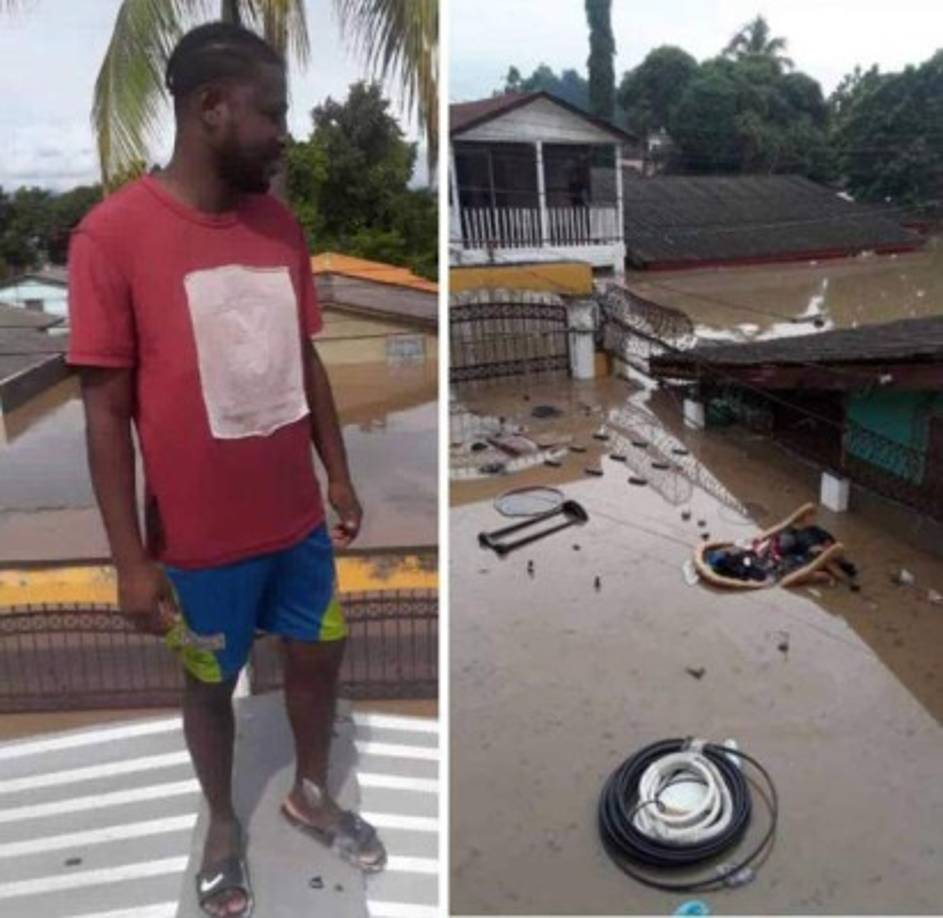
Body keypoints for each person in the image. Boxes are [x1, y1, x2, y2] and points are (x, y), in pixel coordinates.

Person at [67, 22, 385, 918]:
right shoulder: (112, 237)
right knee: (207, 680)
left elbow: (306, 360)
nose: (285, 131)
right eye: (272, 112)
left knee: (321, 648)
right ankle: (220, 822)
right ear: (212, 108)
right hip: (199, 548)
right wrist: (131, 560)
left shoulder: (278, 223)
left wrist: (341, 474)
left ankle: (310, 790)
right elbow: (104, 414)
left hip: (295, 528)